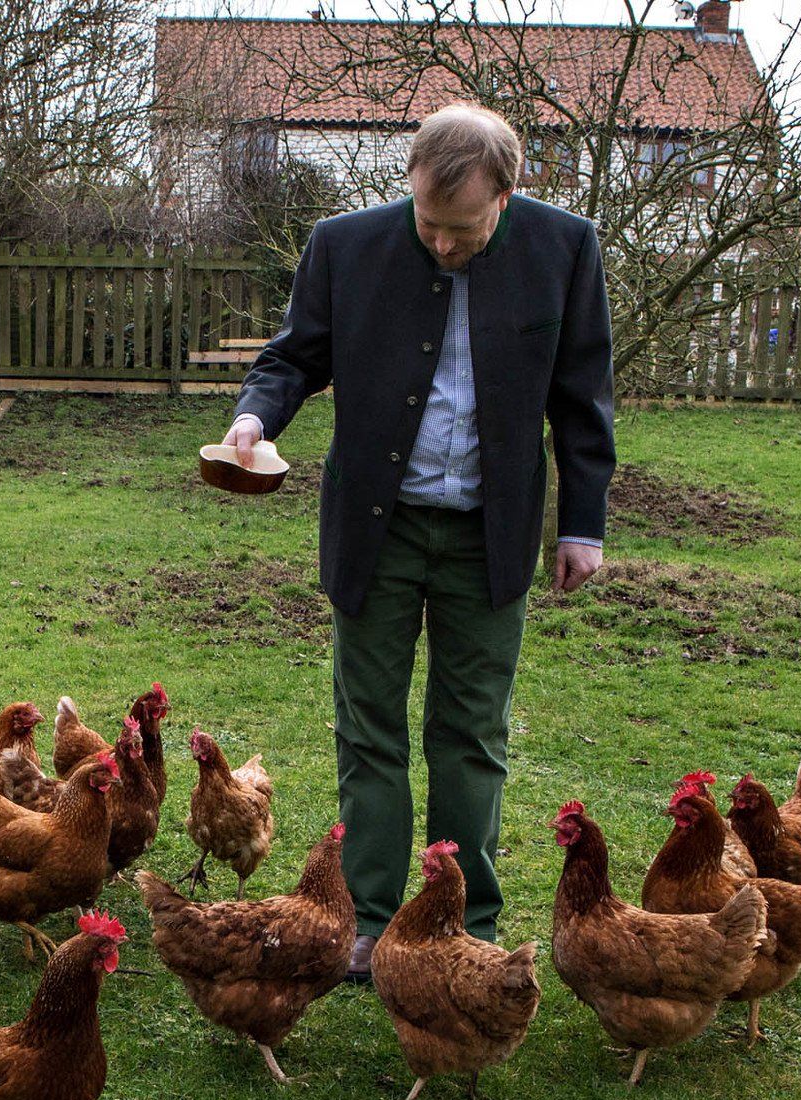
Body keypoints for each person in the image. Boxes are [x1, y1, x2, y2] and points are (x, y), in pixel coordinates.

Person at [224, 102, 615, 981]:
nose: (442, 243)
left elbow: (583, 396)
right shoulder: (345, 245)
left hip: (493, 534)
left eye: (463, 228)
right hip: (378, 528)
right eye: (429, 223)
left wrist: (582, 523)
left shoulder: (565, 249)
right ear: (409, 189)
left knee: (471, 734)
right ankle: (364, 918)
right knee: (369, 729)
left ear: (507, 199)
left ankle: (459, 922)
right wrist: (255, 415)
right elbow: (293, 356)